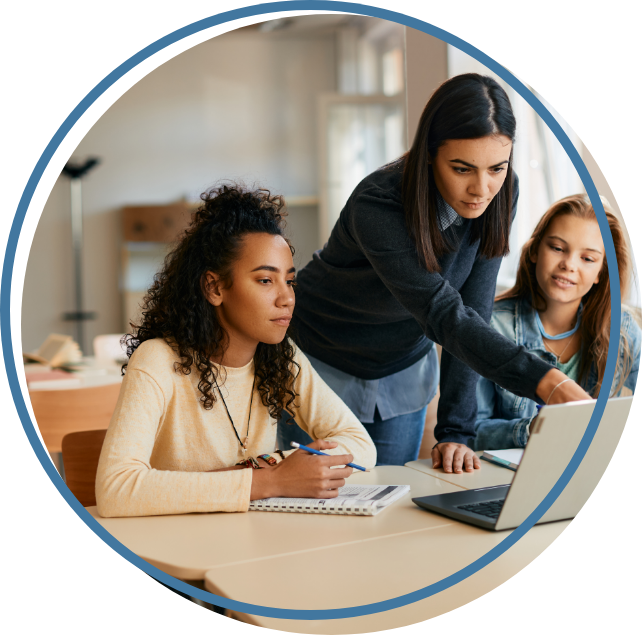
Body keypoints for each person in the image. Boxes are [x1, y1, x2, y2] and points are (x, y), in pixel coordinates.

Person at [278, 73, 592, 473]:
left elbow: (471, 312)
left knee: (386, 512)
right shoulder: (378, 204)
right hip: (320, 360)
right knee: (311, 512)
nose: (482, 188)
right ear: (429, 154)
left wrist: (455, 431)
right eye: (462, 169)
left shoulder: (501, 192)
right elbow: (441, 312)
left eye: (497, 167)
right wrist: (548, 381)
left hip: (402, 369)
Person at [95, 184, 377, 519]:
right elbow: (115, 489)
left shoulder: (279, 355)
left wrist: (268, 468)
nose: (287, 298)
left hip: (250, 541)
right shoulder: (157, 360)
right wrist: (268, 481)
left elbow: (360, 445)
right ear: (214, 287)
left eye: (289, 281)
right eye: (264, 281)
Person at [474, 194, 641, 450]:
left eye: (587, 258)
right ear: (534, 252)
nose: (568, 265)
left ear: (600, 273)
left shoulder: (624, 329)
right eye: (557, 248)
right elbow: (470, 432)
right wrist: (534, 429)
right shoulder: (491, 325)